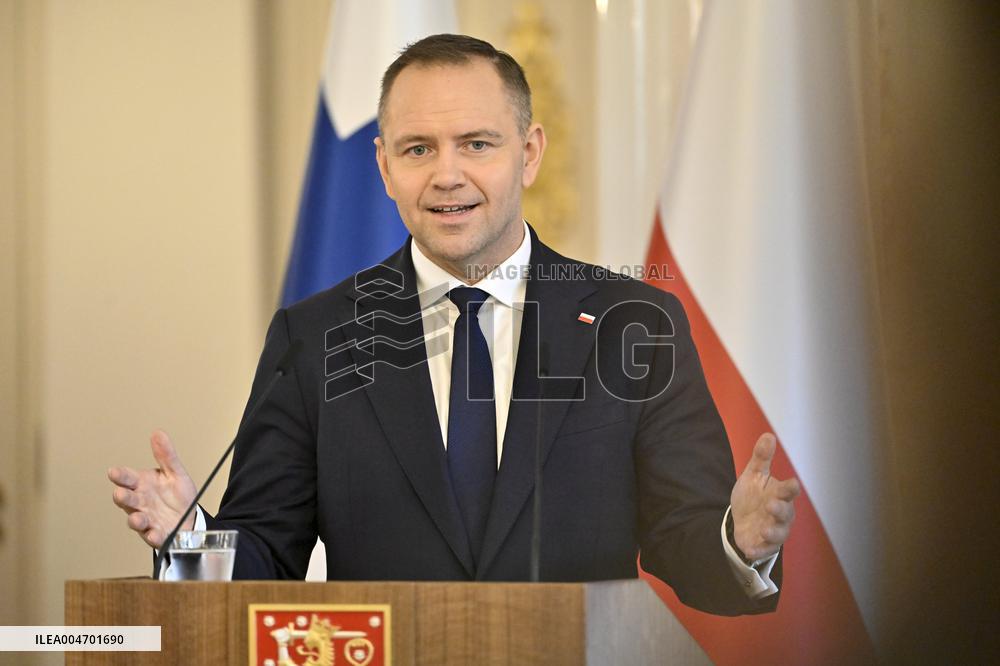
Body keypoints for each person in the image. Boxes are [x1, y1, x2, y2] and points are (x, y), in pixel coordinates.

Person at [108, 34, 799, 615]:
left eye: (476, 144)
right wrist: (190, 541)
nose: (447, 175)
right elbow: (266, 556)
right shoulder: (314, 337)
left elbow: (686, 540)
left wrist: (740, 541)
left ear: (528, 153)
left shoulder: (631, 324)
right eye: (418, 149)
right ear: (383, 166)